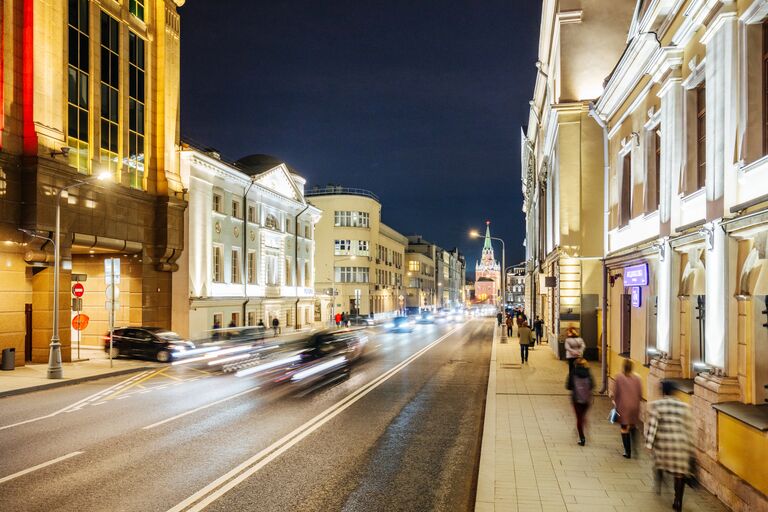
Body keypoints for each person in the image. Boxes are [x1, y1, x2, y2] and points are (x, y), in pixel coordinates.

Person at [646, 380, 694, 511]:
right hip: (681, 444)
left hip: (665, 444)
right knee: (679, 473)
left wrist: (649, 444)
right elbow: (689, 428)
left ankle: (659, 482)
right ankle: (678, 501)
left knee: (659, 463)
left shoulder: (657, 405)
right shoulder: (684, 406)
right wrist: (691, 446)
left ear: (663, 391)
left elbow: (653, 425)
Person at [612, 359, 643, 458]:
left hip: (623, 406)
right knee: (633, 425)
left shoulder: (619, 377)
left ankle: (627, 451)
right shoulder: (638, 378)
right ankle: (635, 448)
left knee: (624, 428)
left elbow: (615, 393)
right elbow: (640, 394)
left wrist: (615, 402)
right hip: (635, 406)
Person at [566, 357, 594, 446]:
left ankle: (582, 438)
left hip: (576, 399)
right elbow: (592, 386)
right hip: (586, 399)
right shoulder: (588, 373)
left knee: (579, 418)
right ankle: (583, 429)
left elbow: (568, 386)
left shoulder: (573, 373)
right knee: (582, 416)